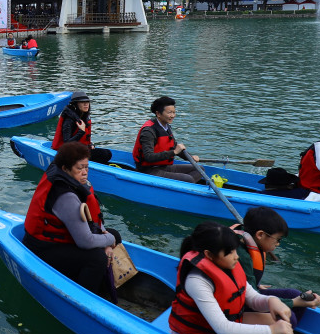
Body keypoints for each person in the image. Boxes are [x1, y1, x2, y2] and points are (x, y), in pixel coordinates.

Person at [168, 221, 294, 334]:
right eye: (229, 252)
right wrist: (270, 331)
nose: (236, 256)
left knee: (279, 323)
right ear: (208, 255)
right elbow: (222, 327)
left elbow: (252, 297)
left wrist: (272, 301)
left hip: (218, 330)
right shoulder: (197, 280)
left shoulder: (229, 264)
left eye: (235, 250)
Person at [23, 142, 122, 298]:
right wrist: (109, 239)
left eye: (86, 167)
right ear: (65, 169)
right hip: (43, 247)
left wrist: (106, 236)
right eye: (79, 168)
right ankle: (84, 298)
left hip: (63, 239)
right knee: (97, 258)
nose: (84, 172)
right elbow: (85, 241)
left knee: (113, 235)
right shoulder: (66, 196)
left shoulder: (72, 181)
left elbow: (95, 220)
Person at [232, 207, 320, 326]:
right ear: (260, 235)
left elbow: (244, 282)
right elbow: (248, 298)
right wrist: (294, 303)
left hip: (247, 294)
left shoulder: (245, 241)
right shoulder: (241, 255)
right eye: (277, 239)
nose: (278, 244)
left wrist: (254, 283)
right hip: (238, 303)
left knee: (293, 294)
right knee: (289, 317)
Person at [132, 96, 201, 182]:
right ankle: (185, 189)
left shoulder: (166, 126)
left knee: (199, 169)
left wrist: (191, 157)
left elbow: (174, 146)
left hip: (163, 167)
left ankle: (182, 189)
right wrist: (174, 152)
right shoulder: (148, 131)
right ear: (158, 114)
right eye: (169, 113)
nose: (172, 116)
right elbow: (148, 157)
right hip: (148, 170)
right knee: (188, 179)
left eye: (174, 112)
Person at [52, 91, 112, 164]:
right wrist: (81, 131)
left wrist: (90, 144)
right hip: (68, 153)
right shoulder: (69, 120)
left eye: (87, 102)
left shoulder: (83, 117)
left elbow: (83, 140)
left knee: (108, 153)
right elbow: (66, 145)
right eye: (82, 102)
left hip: (79, 149)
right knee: (105, 154)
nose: (86, 104)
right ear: (75, 104)